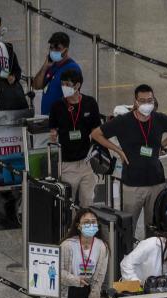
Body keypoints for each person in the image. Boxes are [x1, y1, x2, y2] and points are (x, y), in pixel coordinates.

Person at [91, 84, 167, 241]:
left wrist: (163, 144)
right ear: (135, 102)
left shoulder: (159, 119)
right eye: (143, 100)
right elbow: (96, 134)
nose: (147, 104)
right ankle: (126, 259)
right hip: (132, 185)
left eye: (150, 100)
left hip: (156, 182)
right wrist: (117, 150)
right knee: (128, 227)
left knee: (154, 227)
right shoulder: (123, 121)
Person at [47, 68, 101, 207]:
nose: (64, 88)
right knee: (68, 205)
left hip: (86, 162)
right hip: (66, 164)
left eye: (67, 84)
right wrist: (53, 136)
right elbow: (52, 130)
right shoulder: (57, 106)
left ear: (77, 85)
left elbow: (96, 130)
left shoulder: (90, 103)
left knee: (88, 202)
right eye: (62, 84)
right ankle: (70, 228)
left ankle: (85, 228)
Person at [31, 32, 82, 116]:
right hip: (47, 117)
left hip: (62, 118)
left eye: (57, 48)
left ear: (66, 49)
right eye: (51, 48)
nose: (53, 51)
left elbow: (72, 97)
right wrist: (44, 67)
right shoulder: (51, 66)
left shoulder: (72, 68)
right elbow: (36, 86)